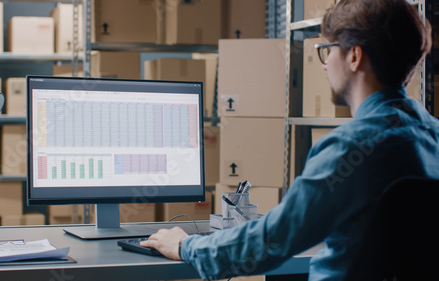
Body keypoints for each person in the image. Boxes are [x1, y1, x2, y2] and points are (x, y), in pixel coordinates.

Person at [141, 0, 439, 280]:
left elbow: (269, 241)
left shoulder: (351, 147)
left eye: (328, 49)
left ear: (354, 56)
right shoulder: (433, 135)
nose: (324, 64)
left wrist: (185, 245)